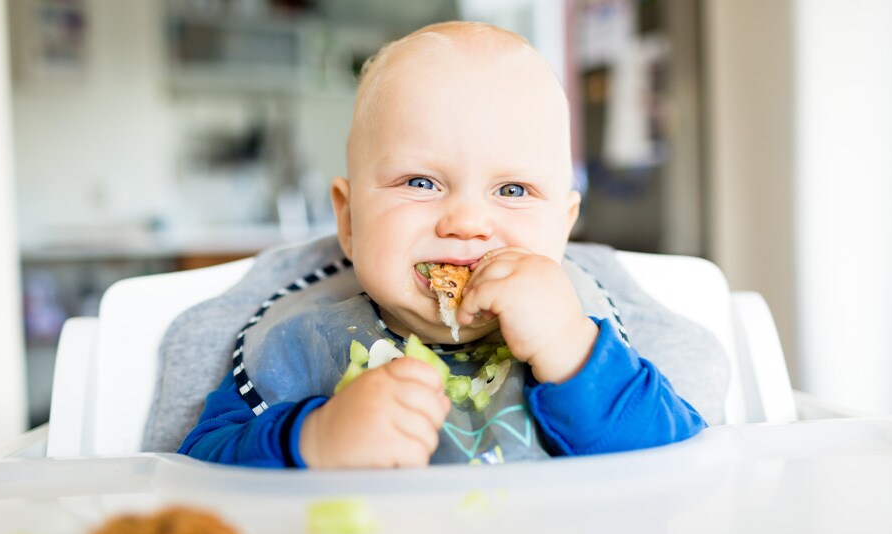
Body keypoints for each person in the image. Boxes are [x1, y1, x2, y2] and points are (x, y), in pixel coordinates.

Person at [176, 21, 712, 469]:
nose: (467, 222)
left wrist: (570, 351)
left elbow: (678, 466)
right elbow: (199, 466)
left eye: (513, 190)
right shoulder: (303, 343)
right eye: (421, 182)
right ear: (349, 221)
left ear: (563, 227)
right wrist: (312, 439)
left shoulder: (587, 338)